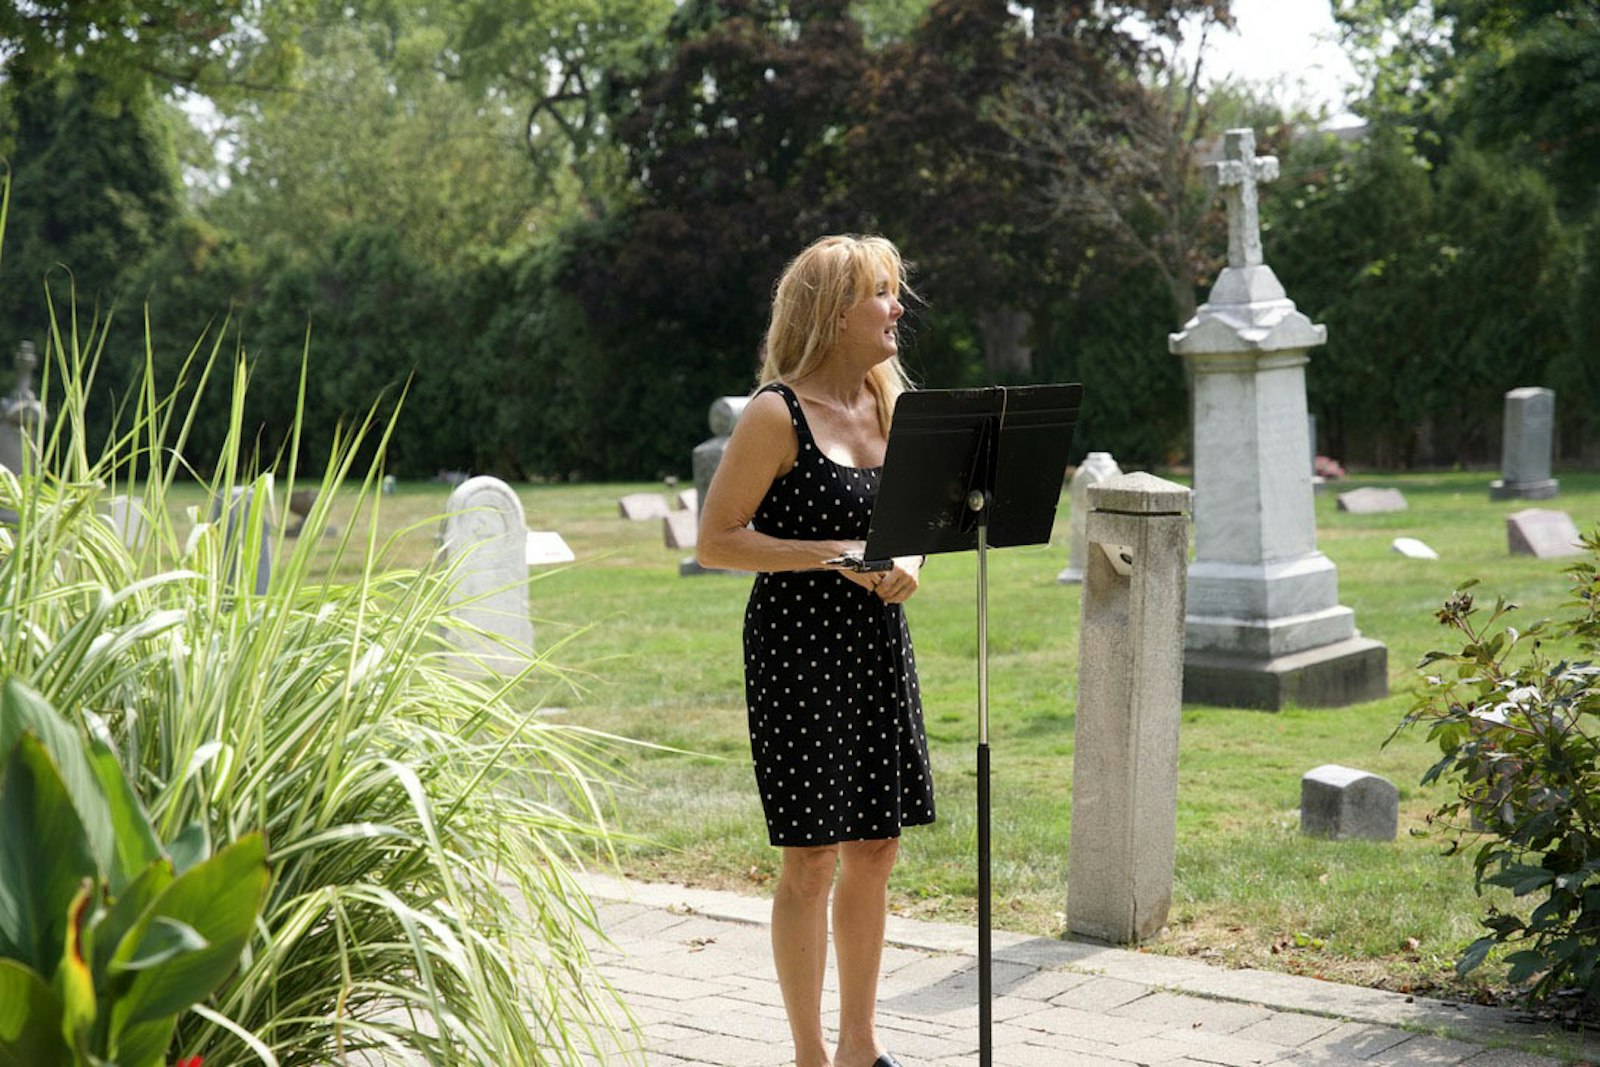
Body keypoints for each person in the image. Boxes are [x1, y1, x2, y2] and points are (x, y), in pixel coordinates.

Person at [698, 234, 935, 1067]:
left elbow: (921, 523)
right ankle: (809, 1055)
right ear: (835, 313)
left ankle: (860, 1048)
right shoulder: (776, 412)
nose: (899, 306)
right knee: (811, 858)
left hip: (876, 645)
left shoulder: (893, 403)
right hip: (797, 652)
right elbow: (718, 539)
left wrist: (905, 559)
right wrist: (832, 553)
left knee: (877, 845)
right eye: (882, 292)